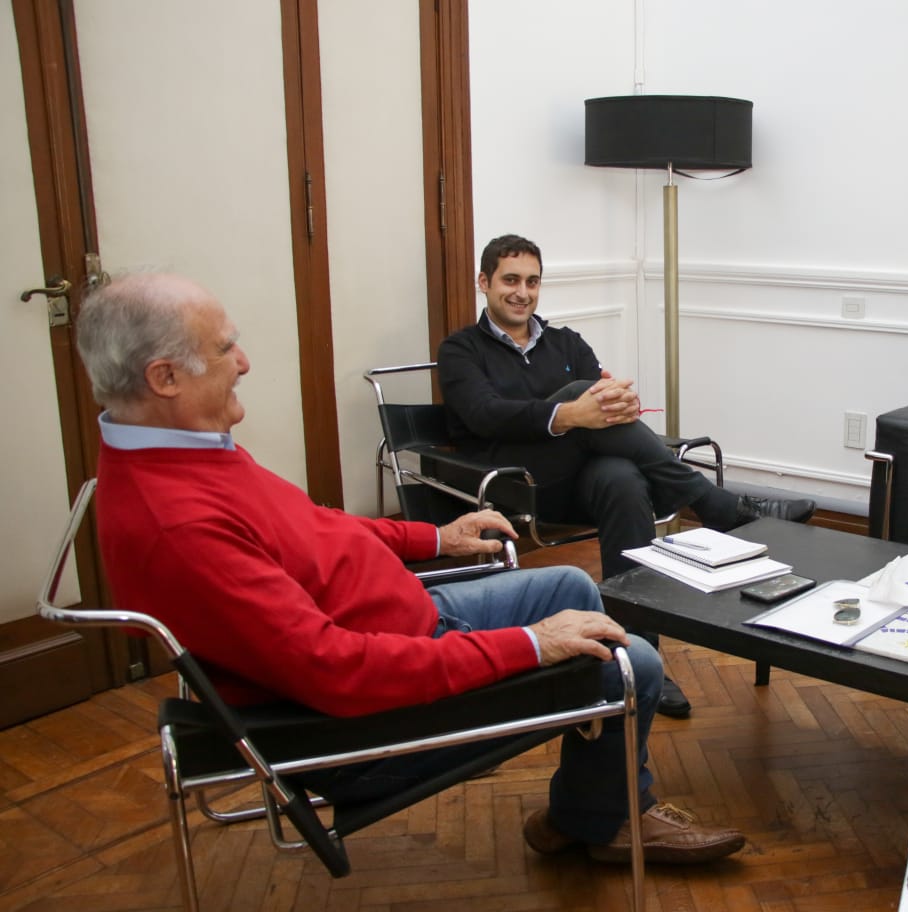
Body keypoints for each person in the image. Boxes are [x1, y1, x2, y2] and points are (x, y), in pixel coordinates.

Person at [76, 272, 747, 865]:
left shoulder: (185, 451)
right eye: (225, 348)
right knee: (632, 663)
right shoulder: (177, 524)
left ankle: (586, 814)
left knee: (574, 585)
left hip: (405, 617)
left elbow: (314, 526)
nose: (244, 361)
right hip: (366, 721)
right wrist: (529, 646)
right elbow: (336, 671)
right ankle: (607, 820)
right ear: (164, 378)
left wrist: (433, 537)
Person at [437, 234, 817, 717]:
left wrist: (619, 406)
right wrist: (572, 413)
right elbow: (485, 414)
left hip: (582, 482)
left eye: (532, 281)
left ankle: (639, 659)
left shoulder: (565, 341)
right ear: (484, 282)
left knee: (621, 476)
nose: (522, 292)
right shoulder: (460, 350)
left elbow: (608, 404)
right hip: (515, 489)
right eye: (510, 280)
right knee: (579, 393)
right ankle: (715, 505)